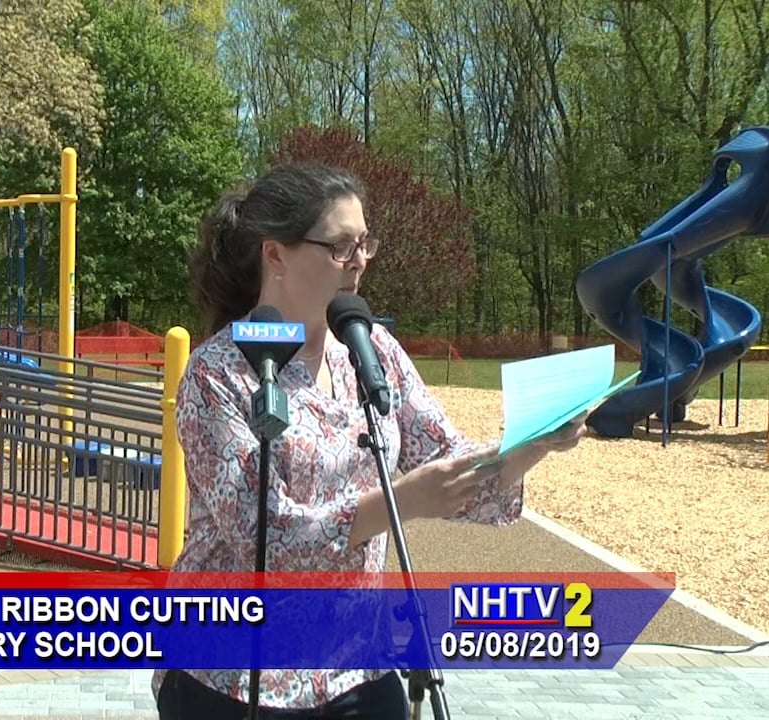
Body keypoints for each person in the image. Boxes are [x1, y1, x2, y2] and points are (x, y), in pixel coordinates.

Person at [154, 163, 586, 719]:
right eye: (339, 246)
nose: (358, 260)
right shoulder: (217, 373)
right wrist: (403, 501)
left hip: (357, 665)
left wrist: (532, 443)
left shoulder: (371, 348)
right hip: (232, 676)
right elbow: (268, 540)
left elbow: (445, 458)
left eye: (364, 244)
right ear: (276, 255)